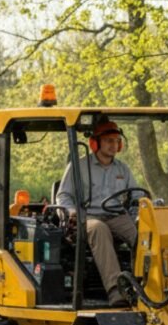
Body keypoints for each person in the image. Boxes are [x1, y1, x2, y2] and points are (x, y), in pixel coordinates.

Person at [56, 120, 137, 307]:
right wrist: (72, 212)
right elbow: (63, 196)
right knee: (99, 229)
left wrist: (137, 214)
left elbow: (137, 195)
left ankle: (146, 286)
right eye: (108, 140)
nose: (113, 145)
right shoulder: (79, 166)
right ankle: (116, 291)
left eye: (116, 141)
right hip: (87, 217)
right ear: (95, 143)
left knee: (144, 235)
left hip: (116, 216)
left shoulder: (122, 169)